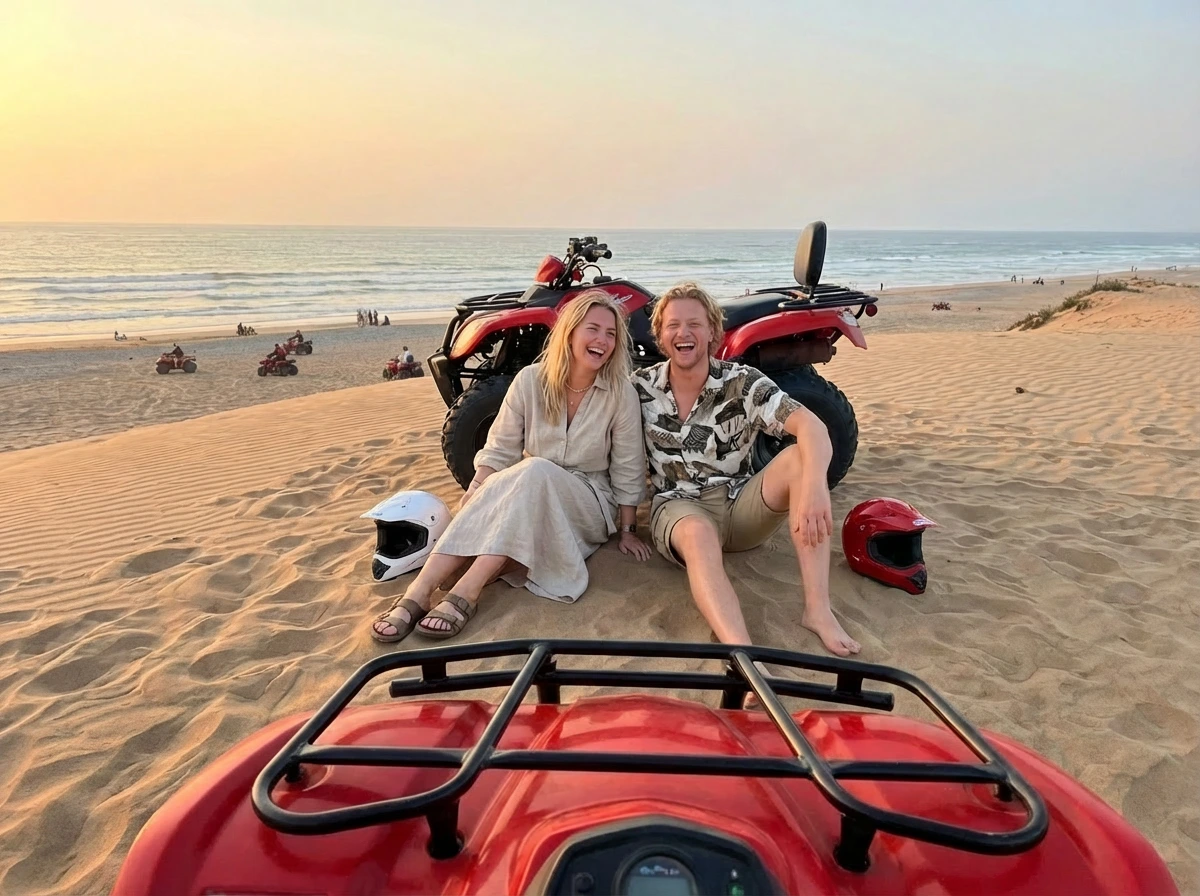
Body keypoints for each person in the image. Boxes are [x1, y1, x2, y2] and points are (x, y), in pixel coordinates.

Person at [370, 290, 651, 643]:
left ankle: (467, 590)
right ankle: (419, 591)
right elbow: (499, 449)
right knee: (511, 481)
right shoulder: (530, 381)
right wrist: (476, 492)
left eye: (611, 334)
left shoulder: (619, 393)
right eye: (593, 329)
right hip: (530, 489)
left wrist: (627, 530)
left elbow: (628, 466)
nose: (602, 341)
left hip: (588, 501)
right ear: (570, 332)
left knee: (532, 472)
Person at [631, 281, 860, 657]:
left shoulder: (742, 382)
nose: (683, 333)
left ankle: (818, 612)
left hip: (740, 505)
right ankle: (744, 656)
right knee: (699, 535)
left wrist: (815, 485)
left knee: (801, 459)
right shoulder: (639, 388)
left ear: (711, 332)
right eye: (673, 325)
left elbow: (811, 426)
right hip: (679, 508)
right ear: (659, 335)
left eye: (695, 324)